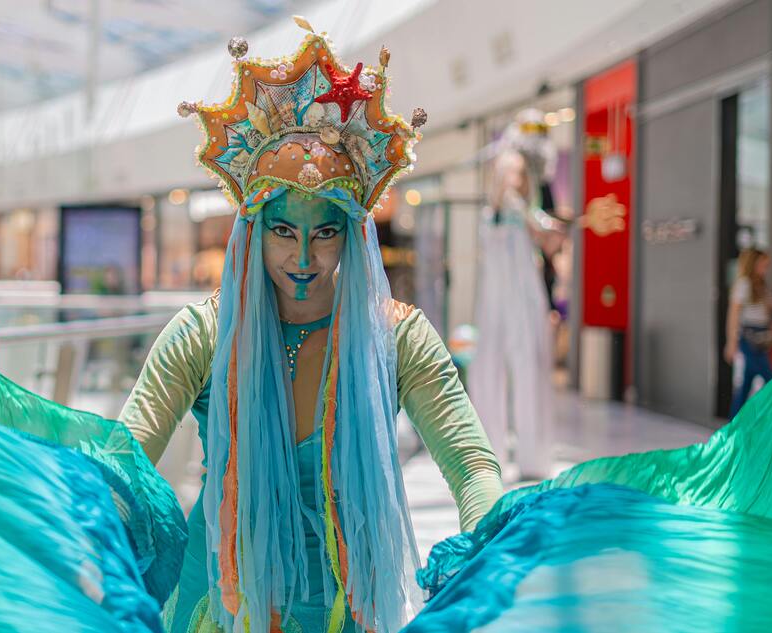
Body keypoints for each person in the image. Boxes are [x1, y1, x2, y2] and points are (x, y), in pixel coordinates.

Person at [120, 20, 503, 633]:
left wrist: (493, 546)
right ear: (250, 229)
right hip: (216, 604)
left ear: (353, 234)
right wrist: (87, 534)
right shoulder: (201, 334)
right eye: (282, 231)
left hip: (343, 608)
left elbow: (472, 463)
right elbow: (127, 457)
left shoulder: (399, 337)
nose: (303, 260)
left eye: (325, 232)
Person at [470, 111, 560, 481]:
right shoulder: (515, 162)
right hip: (512, 266)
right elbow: (509, 197)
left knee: (503, 357)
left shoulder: (516, 165)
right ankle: (522, 454)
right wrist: (538, 223)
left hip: (509, 262)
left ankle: (504, 451)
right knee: (521, 355)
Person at [724, 248, 772, 417]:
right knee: (771, 381)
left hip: (762, 337)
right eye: (763, 264)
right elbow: (733, 314)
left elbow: (765, 310)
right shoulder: (744, 284)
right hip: (750, 338)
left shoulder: (760, 284)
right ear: (753, 263)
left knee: (745, 385)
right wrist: (731, 342)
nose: (766, 268)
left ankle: (734, 426)